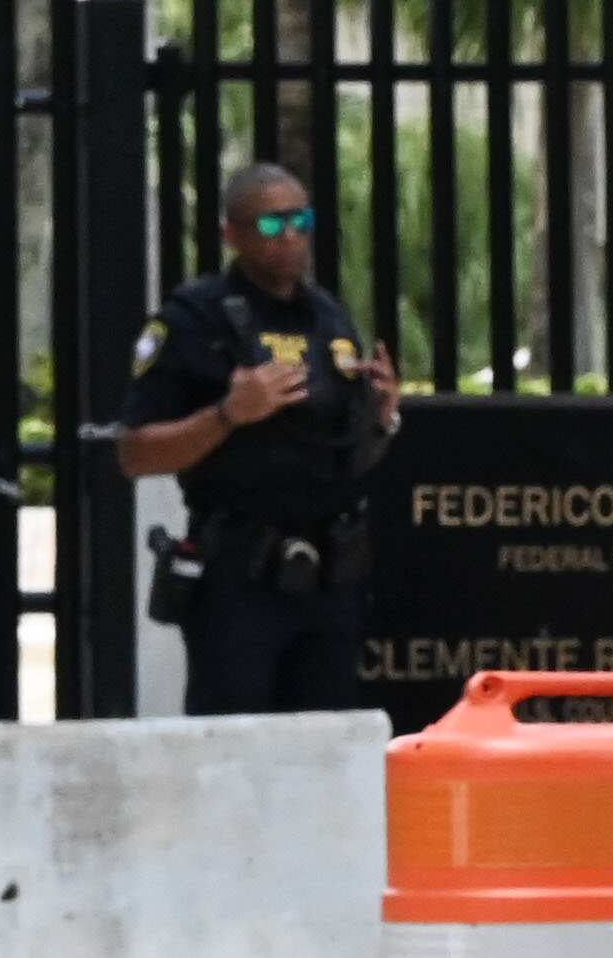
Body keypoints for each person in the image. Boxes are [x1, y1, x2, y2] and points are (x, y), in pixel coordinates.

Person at [114, 161, 399, 714]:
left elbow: (346, 456)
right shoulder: (195, 318)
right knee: (234, 749)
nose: (291, 236)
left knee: (327, 747)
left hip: (329, 576)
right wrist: (227, 414)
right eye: (272, 225)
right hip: (238, 577)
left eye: (301, 221)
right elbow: (134, 453)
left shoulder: (329, 317)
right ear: (233, 235)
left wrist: (382, 418)